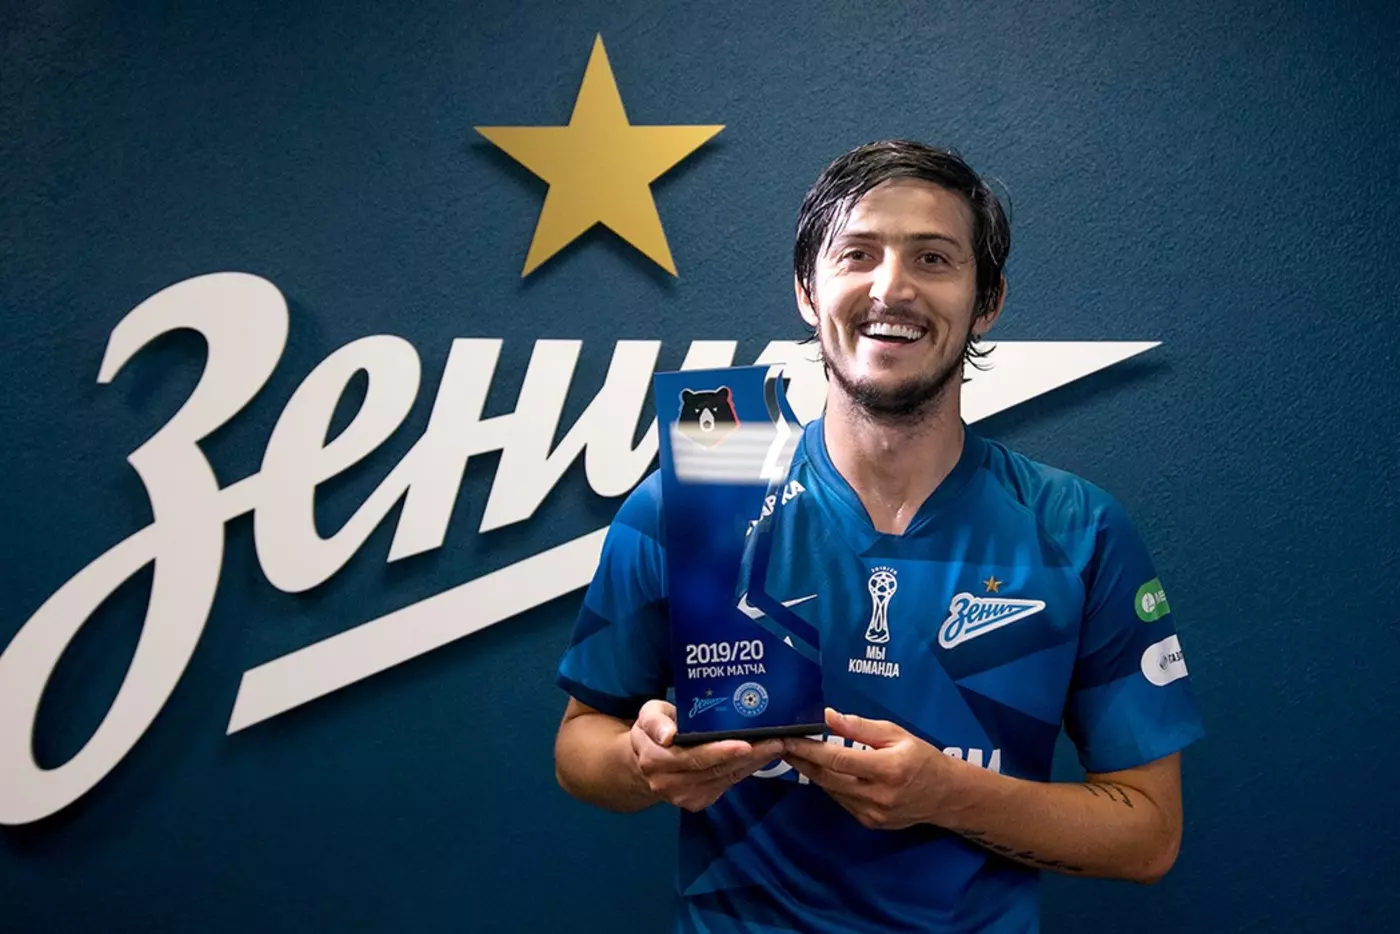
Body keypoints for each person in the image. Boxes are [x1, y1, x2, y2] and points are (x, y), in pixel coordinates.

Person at [553, 139, 1204, 933]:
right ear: (807, 289)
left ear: (987, 300)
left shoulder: (1078, 529)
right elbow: (580, 744)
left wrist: (949, 795)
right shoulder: (690, 503)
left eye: (933, 258)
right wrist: (641, 760)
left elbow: (1149, 836)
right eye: (857, 254)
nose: (891, 287)